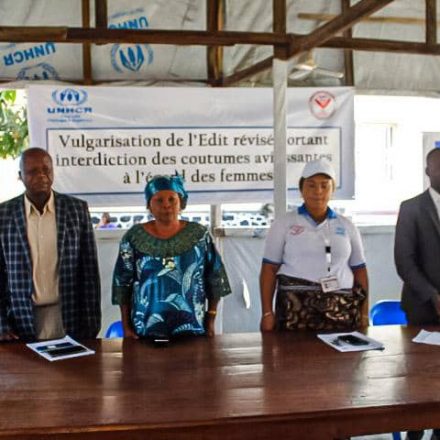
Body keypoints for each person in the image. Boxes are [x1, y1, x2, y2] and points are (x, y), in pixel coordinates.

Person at [112, 174, 231, 339]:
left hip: (193, 330)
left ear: (181, 202)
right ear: (149, 205)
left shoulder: (199, 235)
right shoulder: (133, 237)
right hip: (145, 332)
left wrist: (211, 319)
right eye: (159, 200)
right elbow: (122, 283)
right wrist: (126, 326)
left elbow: (215, 278)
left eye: (172, 199)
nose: (166, 205)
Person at [0, 147, 101, 341]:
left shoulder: (76, 210)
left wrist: (91, 323)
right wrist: (2, 325)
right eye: (32, 171)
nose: (41, 176)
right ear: (20, 176)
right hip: (20, 321)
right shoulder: (4, 215)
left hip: (69, 317)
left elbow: (89, 272)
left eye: (46, 169)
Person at [260, 158, 369, 332]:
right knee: (294, 350)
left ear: (332, 190)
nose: (318, 191)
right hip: (294, 308)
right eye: (311, 185)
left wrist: (364, 313)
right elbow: (269, 269)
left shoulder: (347, 226)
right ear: (301, 189)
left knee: (341, 349)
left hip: (341, 308)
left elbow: (360, 270)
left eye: (324, 186)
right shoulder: (284, 223)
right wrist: (267, 313)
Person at [394, 147, 440, 440]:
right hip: (422, 308)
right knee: (419, 380)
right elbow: (404, 261)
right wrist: (433, 296)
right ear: (427, 172)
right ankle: (414, 433)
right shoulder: (411, 208)